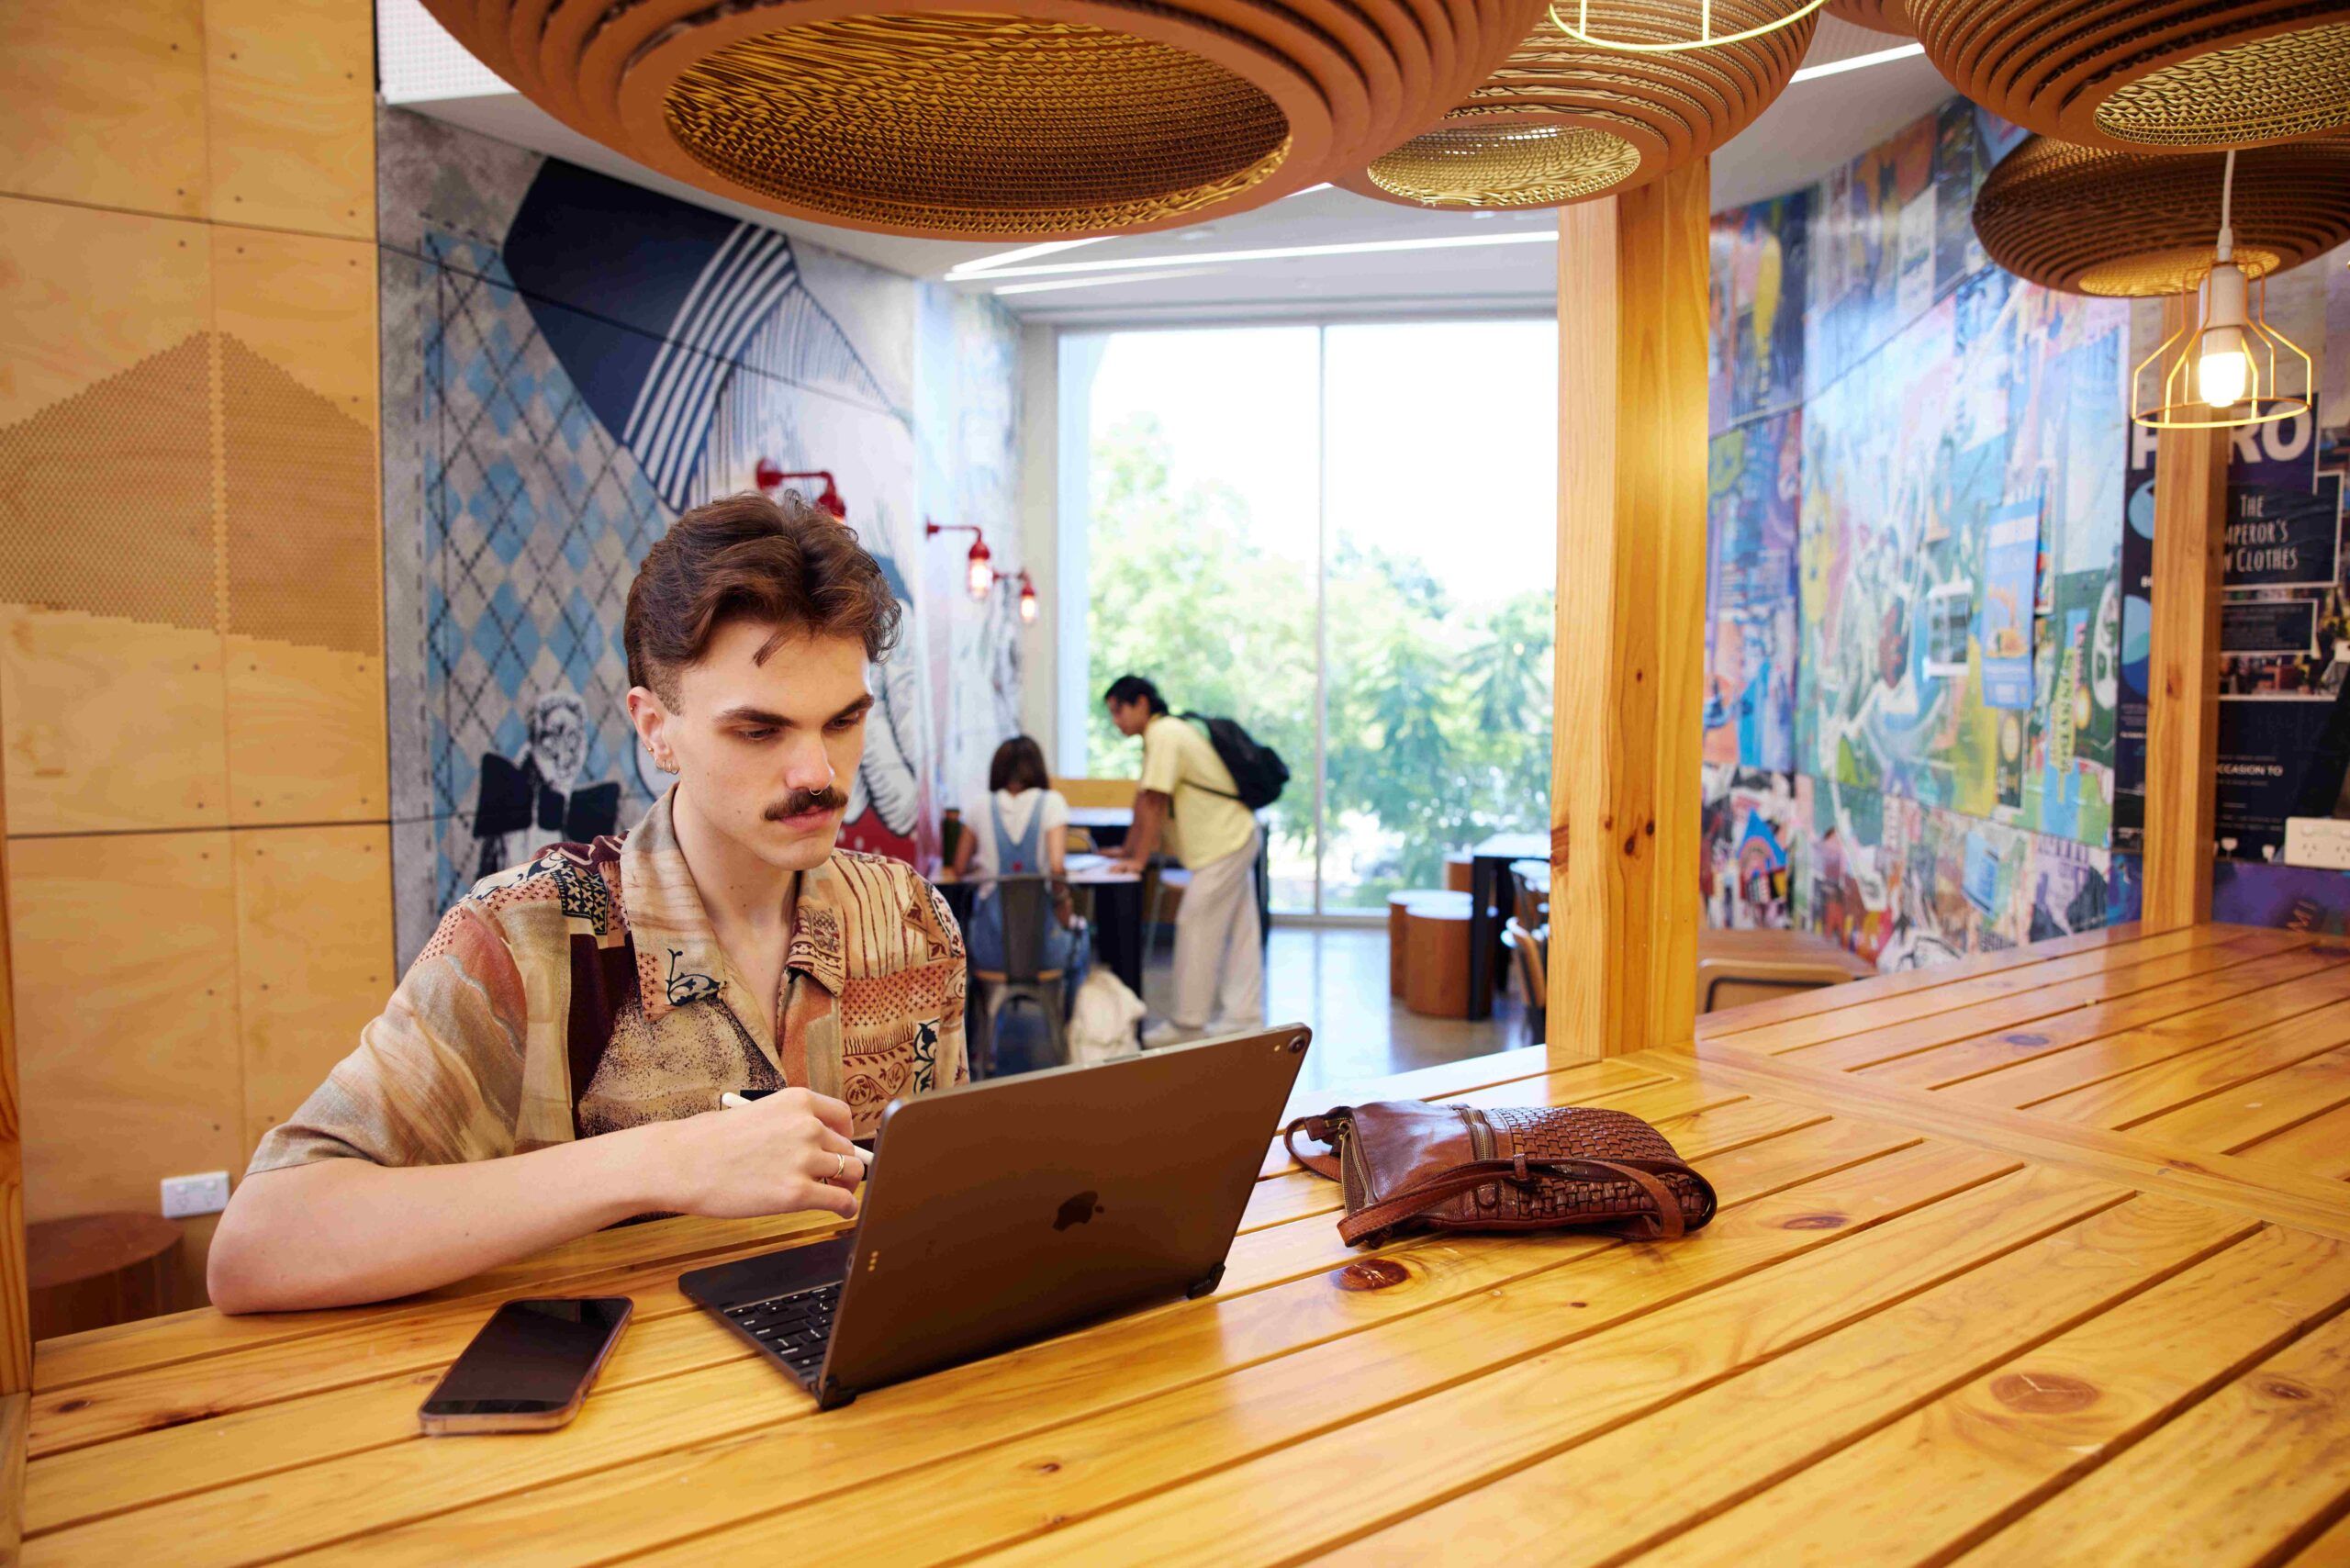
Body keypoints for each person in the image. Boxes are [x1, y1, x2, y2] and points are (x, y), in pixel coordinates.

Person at [207, 491, 969, 1313]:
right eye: (760, 732)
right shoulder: (528, 934)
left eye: (844, 720)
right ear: (656, 729)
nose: (818, 773)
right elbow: (259, 1244)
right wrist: (661, 1162)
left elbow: (950, 1196)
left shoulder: (911, 920)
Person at [1102, 675, 1263, 1046]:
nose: (1116, 720)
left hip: (1224, 840)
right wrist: (1127, 852)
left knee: (1194, 923)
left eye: (1119, 710)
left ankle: (1187, 1025)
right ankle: (1243, 1016)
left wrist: (1139, 861)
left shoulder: (1165, 734)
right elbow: (1144, 800)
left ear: (1142, 703)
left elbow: (1156, 800)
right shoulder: (1162, 736)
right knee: (1241, 929)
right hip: (1233, 834)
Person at [951, 735, 1092, 998]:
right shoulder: (1052, 803)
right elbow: (1057, 867)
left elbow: (959, 867)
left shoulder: (980, 805)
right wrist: (1065, 912)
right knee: (1081, 936)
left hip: (989, 951)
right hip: (1044, 951)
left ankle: (983, 1022)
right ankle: (1068, 1022)